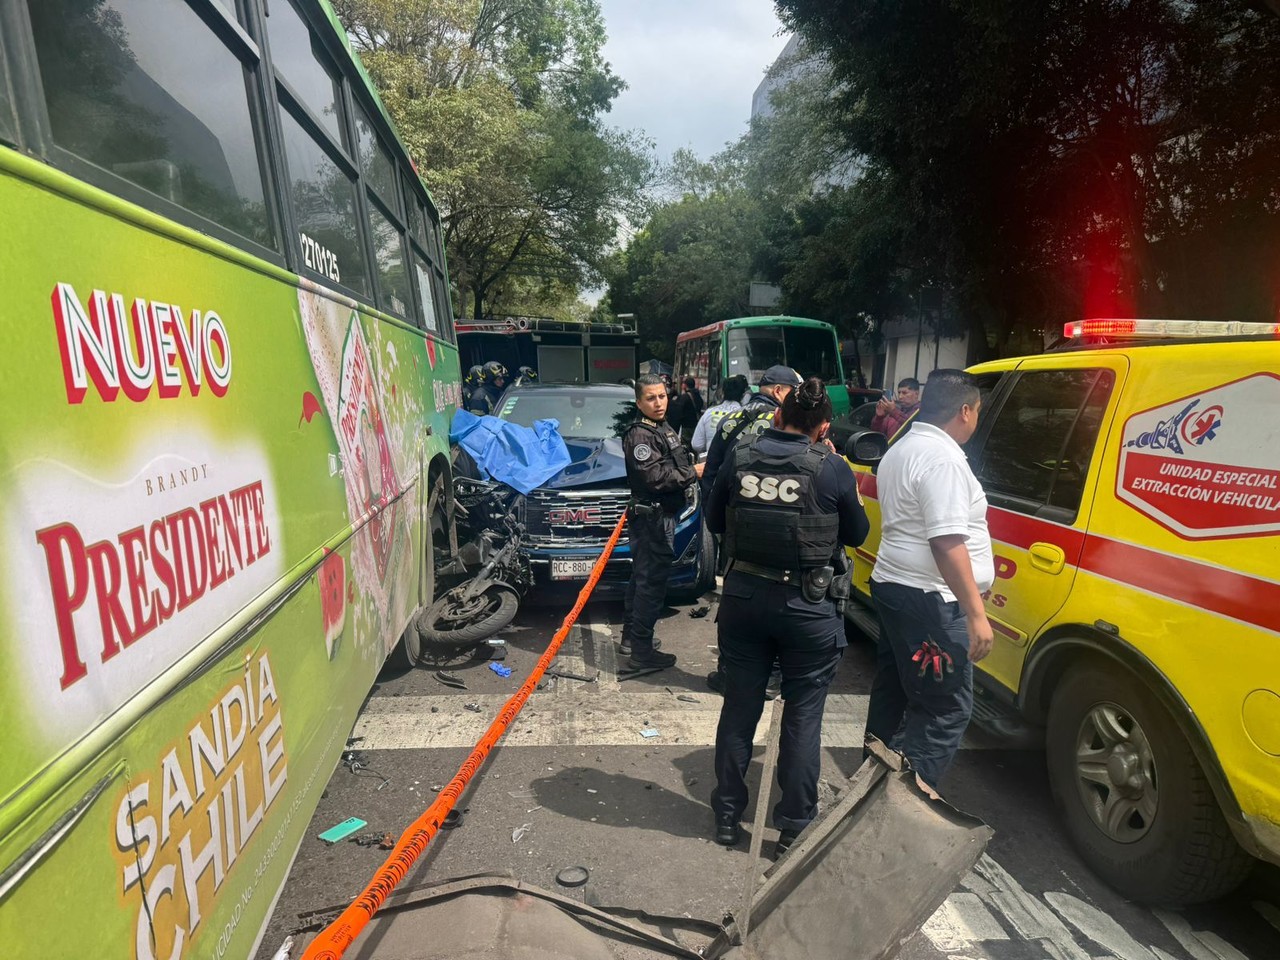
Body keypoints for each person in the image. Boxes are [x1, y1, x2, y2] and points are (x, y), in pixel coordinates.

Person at [705, 377, 870, 855]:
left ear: (778, 415)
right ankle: (795, 826)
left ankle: (726, 816)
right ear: (821, 427)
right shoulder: (831, 467)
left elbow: (716, 523)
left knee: (739, 708)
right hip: (807, 608)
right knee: (802, 716)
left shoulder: (740, 457)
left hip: (745, 600)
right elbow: (856, 534)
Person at [864, 369, 994, 795]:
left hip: (896, 589)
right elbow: (946, 541)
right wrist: (976, 614)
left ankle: (869, 782)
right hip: (930, 603)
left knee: (895, 689)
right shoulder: (943, 459)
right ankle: (896, 807)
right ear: (965, 411)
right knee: (945, 710)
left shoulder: (903, 447)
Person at [620, 375, 704, 670]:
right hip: (652, 519)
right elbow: (655, 478)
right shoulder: (640, 434)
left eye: (662, 396)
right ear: (639, 402)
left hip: (662, 516)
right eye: (651, 398)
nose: (658, 403)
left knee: (642, 580)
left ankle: (632, 639)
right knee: (651, 584)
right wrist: (695, 472)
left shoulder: (662, 427)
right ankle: (641, 653)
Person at [702, 365, 804, 498]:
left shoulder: (727, 419)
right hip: (769, 502)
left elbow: (711, 470)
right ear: (778, 391)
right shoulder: (785, 423)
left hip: (731, 504)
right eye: (794, 393)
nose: (797, 400)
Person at [691, 375, 749, 459]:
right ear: (743, 394)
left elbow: (696, 445)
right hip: (735, 467)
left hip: (711, 465)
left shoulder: (709, 412)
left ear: (723, 392)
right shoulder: (746, 415)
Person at [668, 376, 706, 446]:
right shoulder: (698, 396)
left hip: (686, 427)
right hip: (696, 425)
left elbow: (678, 413)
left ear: (685, 385)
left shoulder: (684, 397)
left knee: (686, 445)